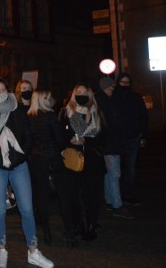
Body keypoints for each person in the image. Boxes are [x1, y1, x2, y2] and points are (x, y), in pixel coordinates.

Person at [0, 78, 53, 268]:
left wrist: (17, 157)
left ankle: (33, 251)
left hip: (18, 165)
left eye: (2, 89)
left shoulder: (17, 111)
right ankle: (1, 249)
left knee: (26, 208)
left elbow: (27, 137)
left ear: (8, 92)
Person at [60, 83, 105, 241]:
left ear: (90, 95)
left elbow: (103, 137)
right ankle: (78, 224)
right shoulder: (66, 112)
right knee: (74, 195)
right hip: (73, 161)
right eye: (78, 92)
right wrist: (70, 141)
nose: (82, 95)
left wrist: (86, 141)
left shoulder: (96, 113)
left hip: (93, 160)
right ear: (73, 94)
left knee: (92, 195)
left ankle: (91, 225)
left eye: (85, 92)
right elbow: (59, 135)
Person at [26, 90, 69, 246]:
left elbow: (28, 141)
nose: (51, 99)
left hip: (37, 160)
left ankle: (47, 233)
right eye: (48, 97)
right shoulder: (51, 116)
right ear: (43, 100)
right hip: (53, 158)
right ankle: (69, 232)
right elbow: (60, 140)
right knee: (63, 194)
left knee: (41, 196)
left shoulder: (30, 117)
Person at [96, 77, 135, 219]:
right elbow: (110, 124)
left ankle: (110, 200)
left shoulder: (104, 100)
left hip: (109, 143)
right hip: (110, 143)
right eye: (111, 86)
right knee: (114, 174)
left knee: (109, 173)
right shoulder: (104, 102)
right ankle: (117, 205)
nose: (113, 88)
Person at [113, 73, 148, 206]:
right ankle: (119, 194)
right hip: (118, 138)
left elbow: (143, 116)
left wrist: (141, 133)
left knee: (130, 167)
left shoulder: (135, 97)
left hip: (133, 137)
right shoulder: (114, 98)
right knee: (118, 168)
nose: (125, 85)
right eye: (122, 82)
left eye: (127, 82)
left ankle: (128, 194)